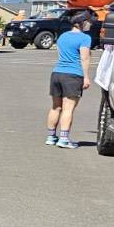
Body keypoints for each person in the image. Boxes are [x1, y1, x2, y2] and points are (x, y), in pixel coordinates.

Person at [45, 13, 94, 148]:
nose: (91, 24)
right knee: (68, 109)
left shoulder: (63, 36)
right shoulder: (85, 38)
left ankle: (51, 136)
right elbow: (84, 58)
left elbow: (63, 53)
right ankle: (64, 139)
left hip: (57, 73)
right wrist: (86, 77)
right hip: (73, 74)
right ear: (81, 23)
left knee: (56, 107)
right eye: (89, 22)